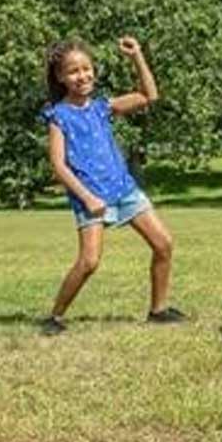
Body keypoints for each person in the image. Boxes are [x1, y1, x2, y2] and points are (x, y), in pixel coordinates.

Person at [40, 36, 184, 335]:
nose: (82, 76)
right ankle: (54, 317)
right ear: (60, 77)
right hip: (90, 196)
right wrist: (87, 197)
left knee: (163, 244)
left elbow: (148, 95)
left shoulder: (103, 107)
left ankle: (158, 311)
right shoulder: (59, 117)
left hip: (124, 190)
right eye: (73, 71)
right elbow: (58, 166)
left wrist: (137, 56)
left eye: (87, 68)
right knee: (89, 262)